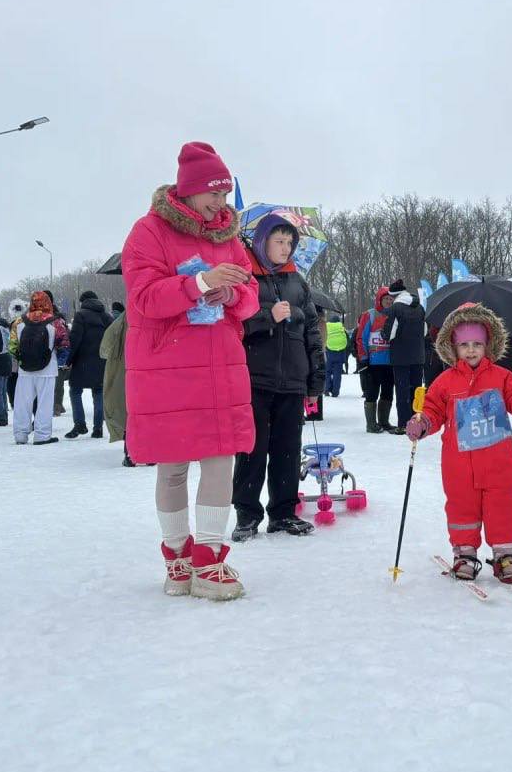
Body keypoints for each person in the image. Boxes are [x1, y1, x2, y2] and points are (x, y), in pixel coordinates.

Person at [123, 140, 260, 600]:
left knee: (221, 458)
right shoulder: (149, 231)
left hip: (219, 363)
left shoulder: (229, 238)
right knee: (174, 465)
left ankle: (210, 561)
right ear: (188, 192)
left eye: (225, 196)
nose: (220, 205)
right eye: (213, 195)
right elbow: (143, 296)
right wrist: (200, 283)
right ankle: (177, 560)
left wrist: (233, 295)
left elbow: (250, 293)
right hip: (169, 366)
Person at [405, 303, 512, 583]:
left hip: (497, 460)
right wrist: (422, 424)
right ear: (453, 347)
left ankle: (504, 554)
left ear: (488, 345)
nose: (471, 350)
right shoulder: (444, 382)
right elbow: (432, 409)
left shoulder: (501, 377)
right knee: (461, 506)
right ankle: (465, 553)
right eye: (465, 344)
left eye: (477, 344)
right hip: (458, 463)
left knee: (502, 504)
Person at [231, 212, 325, 540]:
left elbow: (313, 333)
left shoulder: (297, 282)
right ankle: (246, 513)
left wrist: (315, 382)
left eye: (290, 242)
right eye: (279, 241)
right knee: (252, 450)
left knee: (287, 449)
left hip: (293, 380)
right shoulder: (244, 278)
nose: (285, 248)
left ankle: (283, 512)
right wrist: (266, 316)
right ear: (262, 241)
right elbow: (233, 325)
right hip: (255, 379)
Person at [12, 292, 62, 446]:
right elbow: (64, 343)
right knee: (45, 402)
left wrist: (22, 358)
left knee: (22, 402)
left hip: (25, 370)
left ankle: (20, 434)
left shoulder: (20, 321)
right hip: (48, 369)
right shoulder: (56, 322)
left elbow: (12, 346)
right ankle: (42, 434)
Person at [379, 278, 426, 434]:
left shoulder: (396, 308)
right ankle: (417, 421)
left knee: (402, 391)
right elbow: (424, 331)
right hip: (418, 356)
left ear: (394, 296)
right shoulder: (419, 307)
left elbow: (388, 334)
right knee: (417, 390)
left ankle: (403, 424)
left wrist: (383, 333)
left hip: (401, 357)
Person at [65, 290, 111, 439]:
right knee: (98, 392)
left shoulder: (81, 315)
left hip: (82, 361)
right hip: (102, 361)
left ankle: (80, 424)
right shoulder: (107, 317)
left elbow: (75, 339)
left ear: (83, 301)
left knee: (75, 391)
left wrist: (68, 360)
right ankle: (98, 428)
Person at [357, 286, 395, 434]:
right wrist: (363, 358)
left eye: (391, 299)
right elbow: (362, 338)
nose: (388, 302)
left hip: (390, 362)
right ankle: (371, 424)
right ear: (380, 299)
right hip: (373, 362)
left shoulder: (394, 315)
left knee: (388, 392)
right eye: (386, 299)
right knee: (372, 392)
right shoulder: (370, 315)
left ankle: (384, 422)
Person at [98, 305, 131, 465]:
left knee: (131, 410)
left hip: (129, 369)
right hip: (160, 371)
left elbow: (105, 347)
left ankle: (133, 452)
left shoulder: (125, 318)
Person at [5, 299, 28, 407]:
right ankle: (17, 400)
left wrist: (12, 352)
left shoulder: (15, 322)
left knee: (12, 378)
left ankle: (14, 401)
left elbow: (12, 341)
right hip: (24, 354)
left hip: (15, 354)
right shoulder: (25, 320)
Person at [323, 311, 349, 397]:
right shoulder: (342, 328)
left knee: (327, 372)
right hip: (340, 353)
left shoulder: (327, 327)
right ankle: (335, 392)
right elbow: (347, 342)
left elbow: (323, 338)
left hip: (329, 352)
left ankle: (327, 389)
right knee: (337, 374)